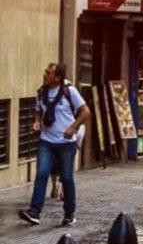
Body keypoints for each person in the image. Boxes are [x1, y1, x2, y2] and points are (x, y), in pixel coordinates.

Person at [19, 63, 90, 227]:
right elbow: (38, 110)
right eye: (45, 72)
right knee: (42, 174)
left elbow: (85, 111)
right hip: (47, 142)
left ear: (57, 77)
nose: (44, 74)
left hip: (66, 143)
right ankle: (34, 212)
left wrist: (73, 127)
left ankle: (69, 214)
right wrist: (37, 121)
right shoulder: (41, 92)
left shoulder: (69, 91)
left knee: (66, 178)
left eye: (48, 73)